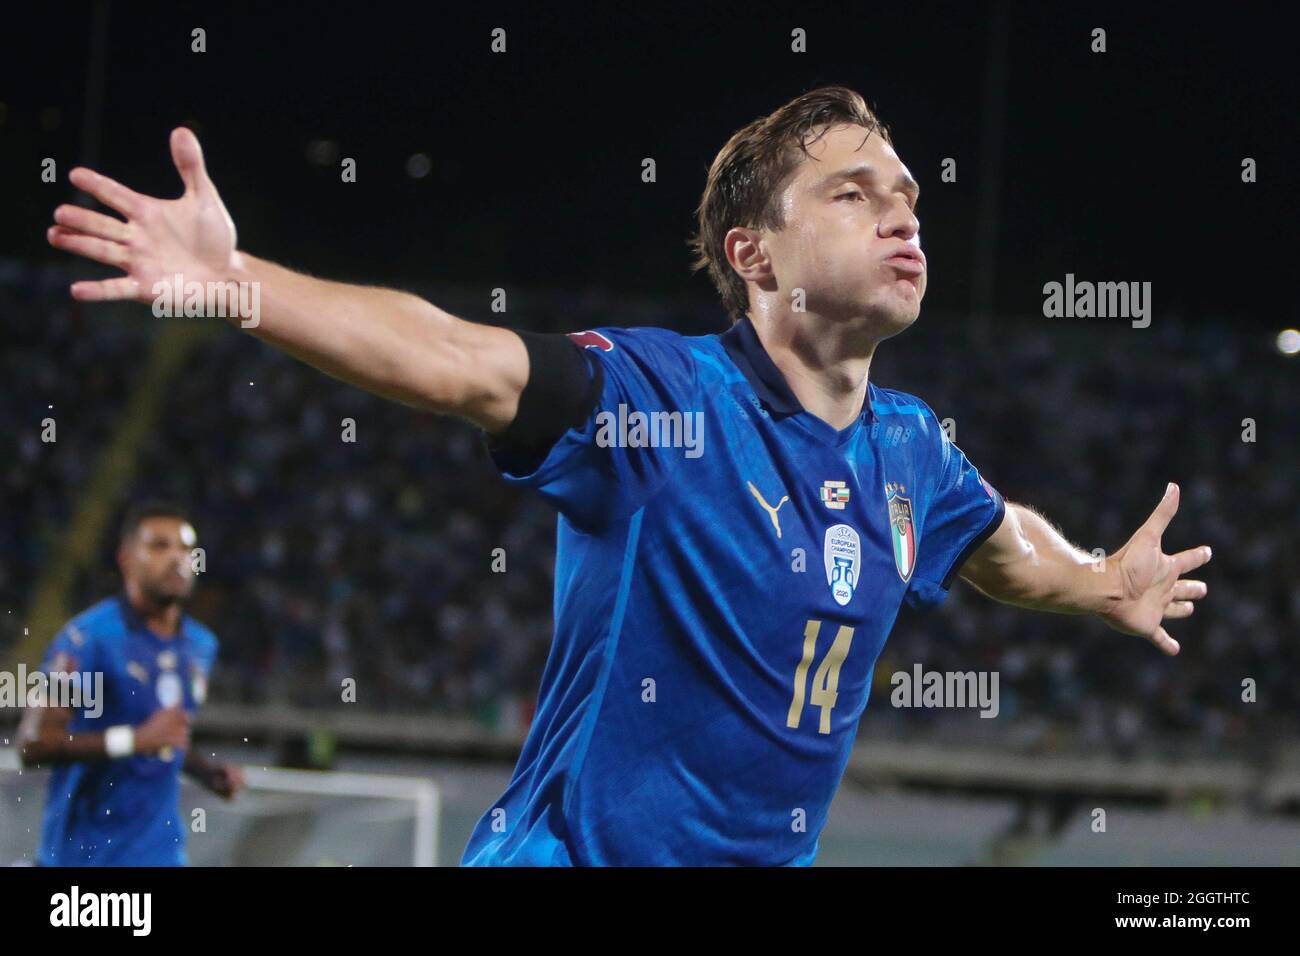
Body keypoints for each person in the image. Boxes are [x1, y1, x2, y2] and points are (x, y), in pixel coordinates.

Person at [45, 86, 1211, 865]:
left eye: (906, 193)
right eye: (853, 192)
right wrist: (235, 276)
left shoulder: (914, 447)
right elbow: (458, 359)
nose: (901, 214)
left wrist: (1103, 578)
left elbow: (1002, 539)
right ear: (754, 255)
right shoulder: (665, 405)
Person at [19, 501, 244, 865]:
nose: (176, 558)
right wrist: (135, 740)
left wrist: (205, 771)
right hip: (85, 858)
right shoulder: (87, 639)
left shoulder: (200, 645)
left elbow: (163, 734)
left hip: (161, 852)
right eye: (159, 546)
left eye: (185, 548)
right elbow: (33, 745)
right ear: (126, 558)